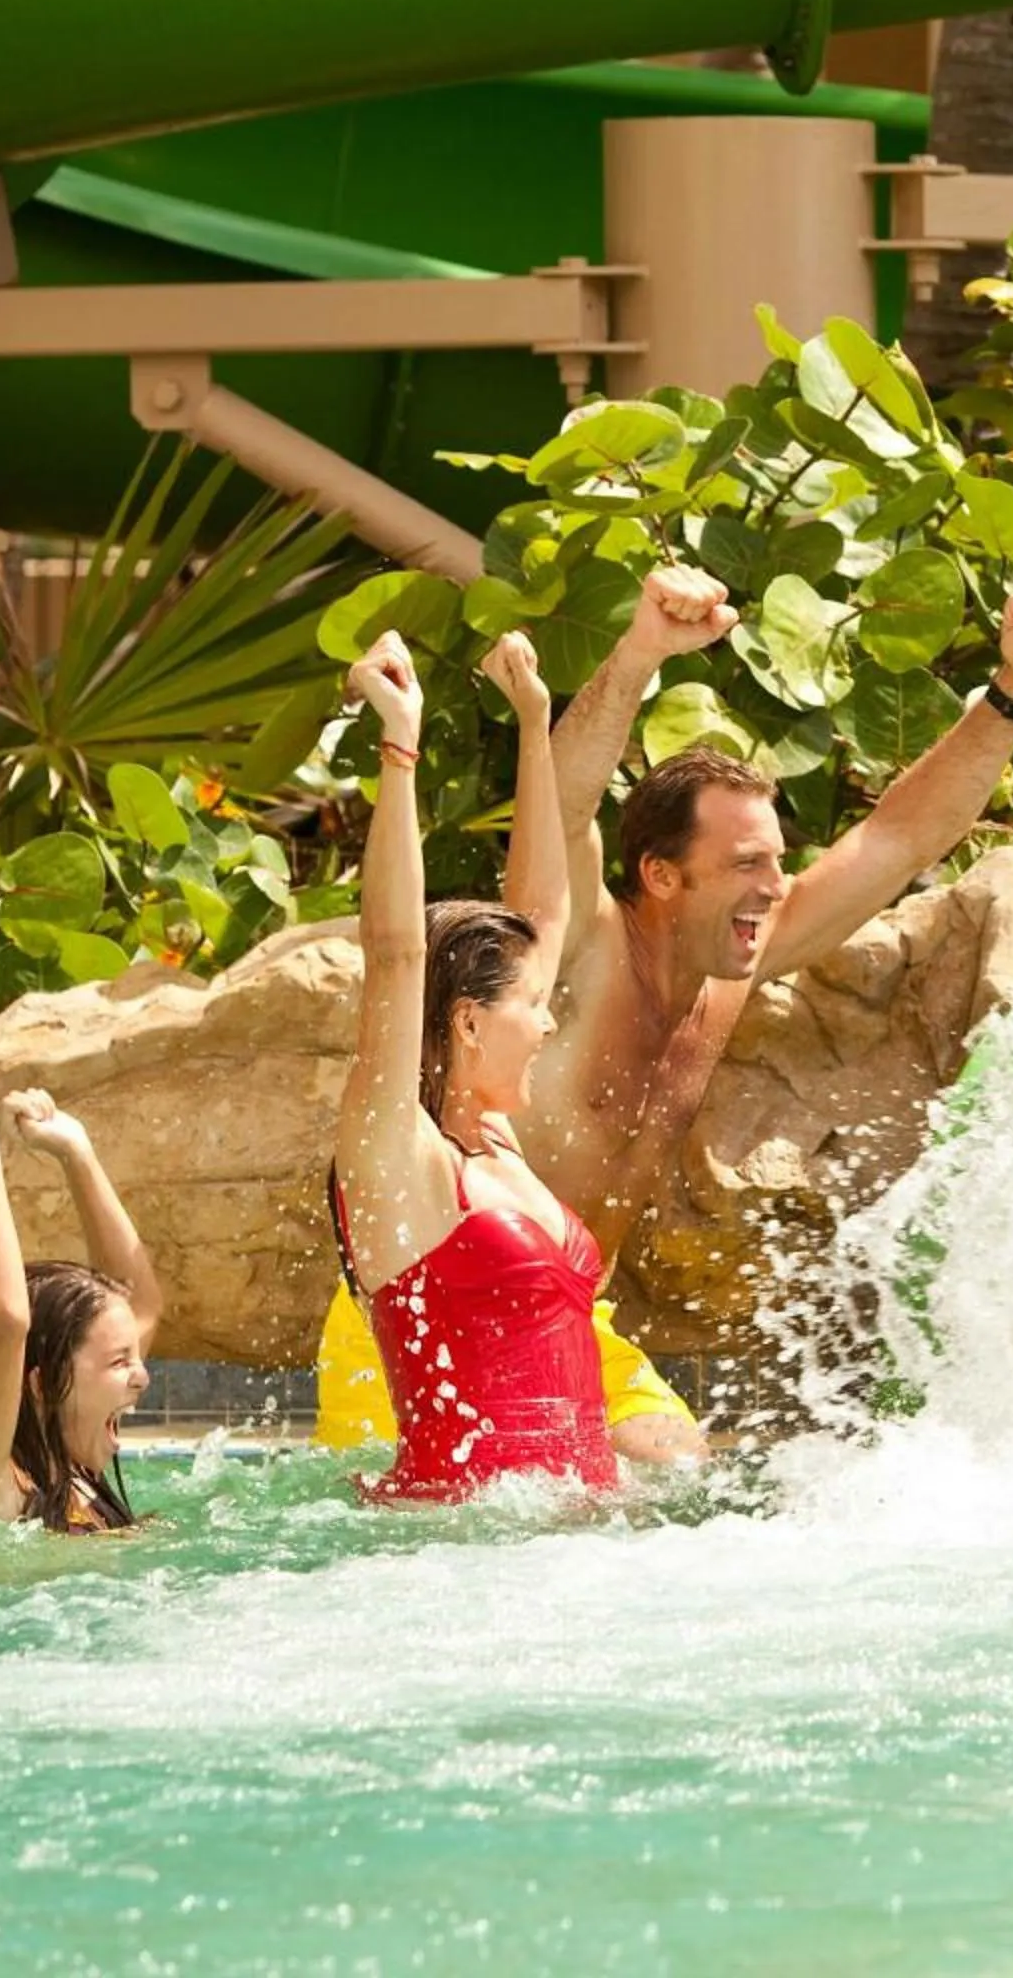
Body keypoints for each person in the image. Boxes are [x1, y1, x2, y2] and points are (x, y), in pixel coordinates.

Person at [313, 562, 1013, 1458]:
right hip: (439, 1318)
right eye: (746, 867)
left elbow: (900, 835)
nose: (775, 887)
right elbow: (561, 809)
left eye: (777, 862)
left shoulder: (735, 969)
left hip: (569, 1325)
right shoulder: (578, 956)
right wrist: (641, 650)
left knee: (706, 1497)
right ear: (660, 876)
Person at [330, 629, 620, 1499]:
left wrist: (534, 723)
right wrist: (399, 749)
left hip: (568, 1545)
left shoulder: (494, 1143)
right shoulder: (401, 1159)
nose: (546, 1024)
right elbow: (393, 955)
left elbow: (542, 914)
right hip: (458, 1557)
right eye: (531, 1007)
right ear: (466, 1022)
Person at [0, 1050, 163, 1532]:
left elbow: (143, 1304)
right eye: (118, 1361)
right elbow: (1, 1326)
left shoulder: (74, 1465)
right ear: (44, 1383)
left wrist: (78, 1155)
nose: (142, 1377)